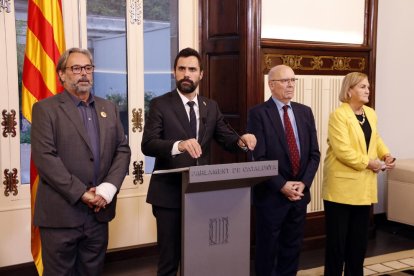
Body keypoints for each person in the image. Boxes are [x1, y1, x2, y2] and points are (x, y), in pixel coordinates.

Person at [141, 47, 256, 276]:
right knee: (169, 261)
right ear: (174, 72)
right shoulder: (160, 104)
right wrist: (178, 145)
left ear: (201, 74)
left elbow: (226, 137)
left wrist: (242, 141)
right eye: (181, 68)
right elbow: (148, 144)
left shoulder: (209, 106)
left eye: (192, 69)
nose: (187, 74)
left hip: (201, 195)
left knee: (200, 257)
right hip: (168, 196)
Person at [31, 48, 131, 275]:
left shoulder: (109, 108)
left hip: (98, 214)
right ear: (61, 75)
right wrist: (83, 193)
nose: (83, 73)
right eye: (76, 68)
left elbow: (122, 151)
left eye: (88, 68)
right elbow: (46, 159)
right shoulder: (45, 110)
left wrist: (107, 190)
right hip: (61, 217)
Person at [247, 64, 320, 276]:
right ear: (271, 85)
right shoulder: (258, 114)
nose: (290, 85)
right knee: (267, 252)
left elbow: (314, 154)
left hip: (299, 194)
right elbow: (258, 158)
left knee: (292, 249)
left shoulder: (305, 112)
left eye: (293, 80)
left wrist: (303, 183)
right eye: (285, 80)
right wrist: (281, 185)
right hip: (271, 196)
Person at [322, 72, 396, 276]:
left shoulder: (370, 113)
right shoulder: (338, 115)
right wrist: (371, 163)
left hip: (363, 188)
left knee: (358, 244)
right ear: (349, 90)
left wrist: (386, 154)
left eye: (368, 87)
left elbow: (376, 139)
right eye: (362, 86)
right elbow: (343, 151)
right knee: (337, 245)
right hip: (341, 189)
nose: (367, 90)